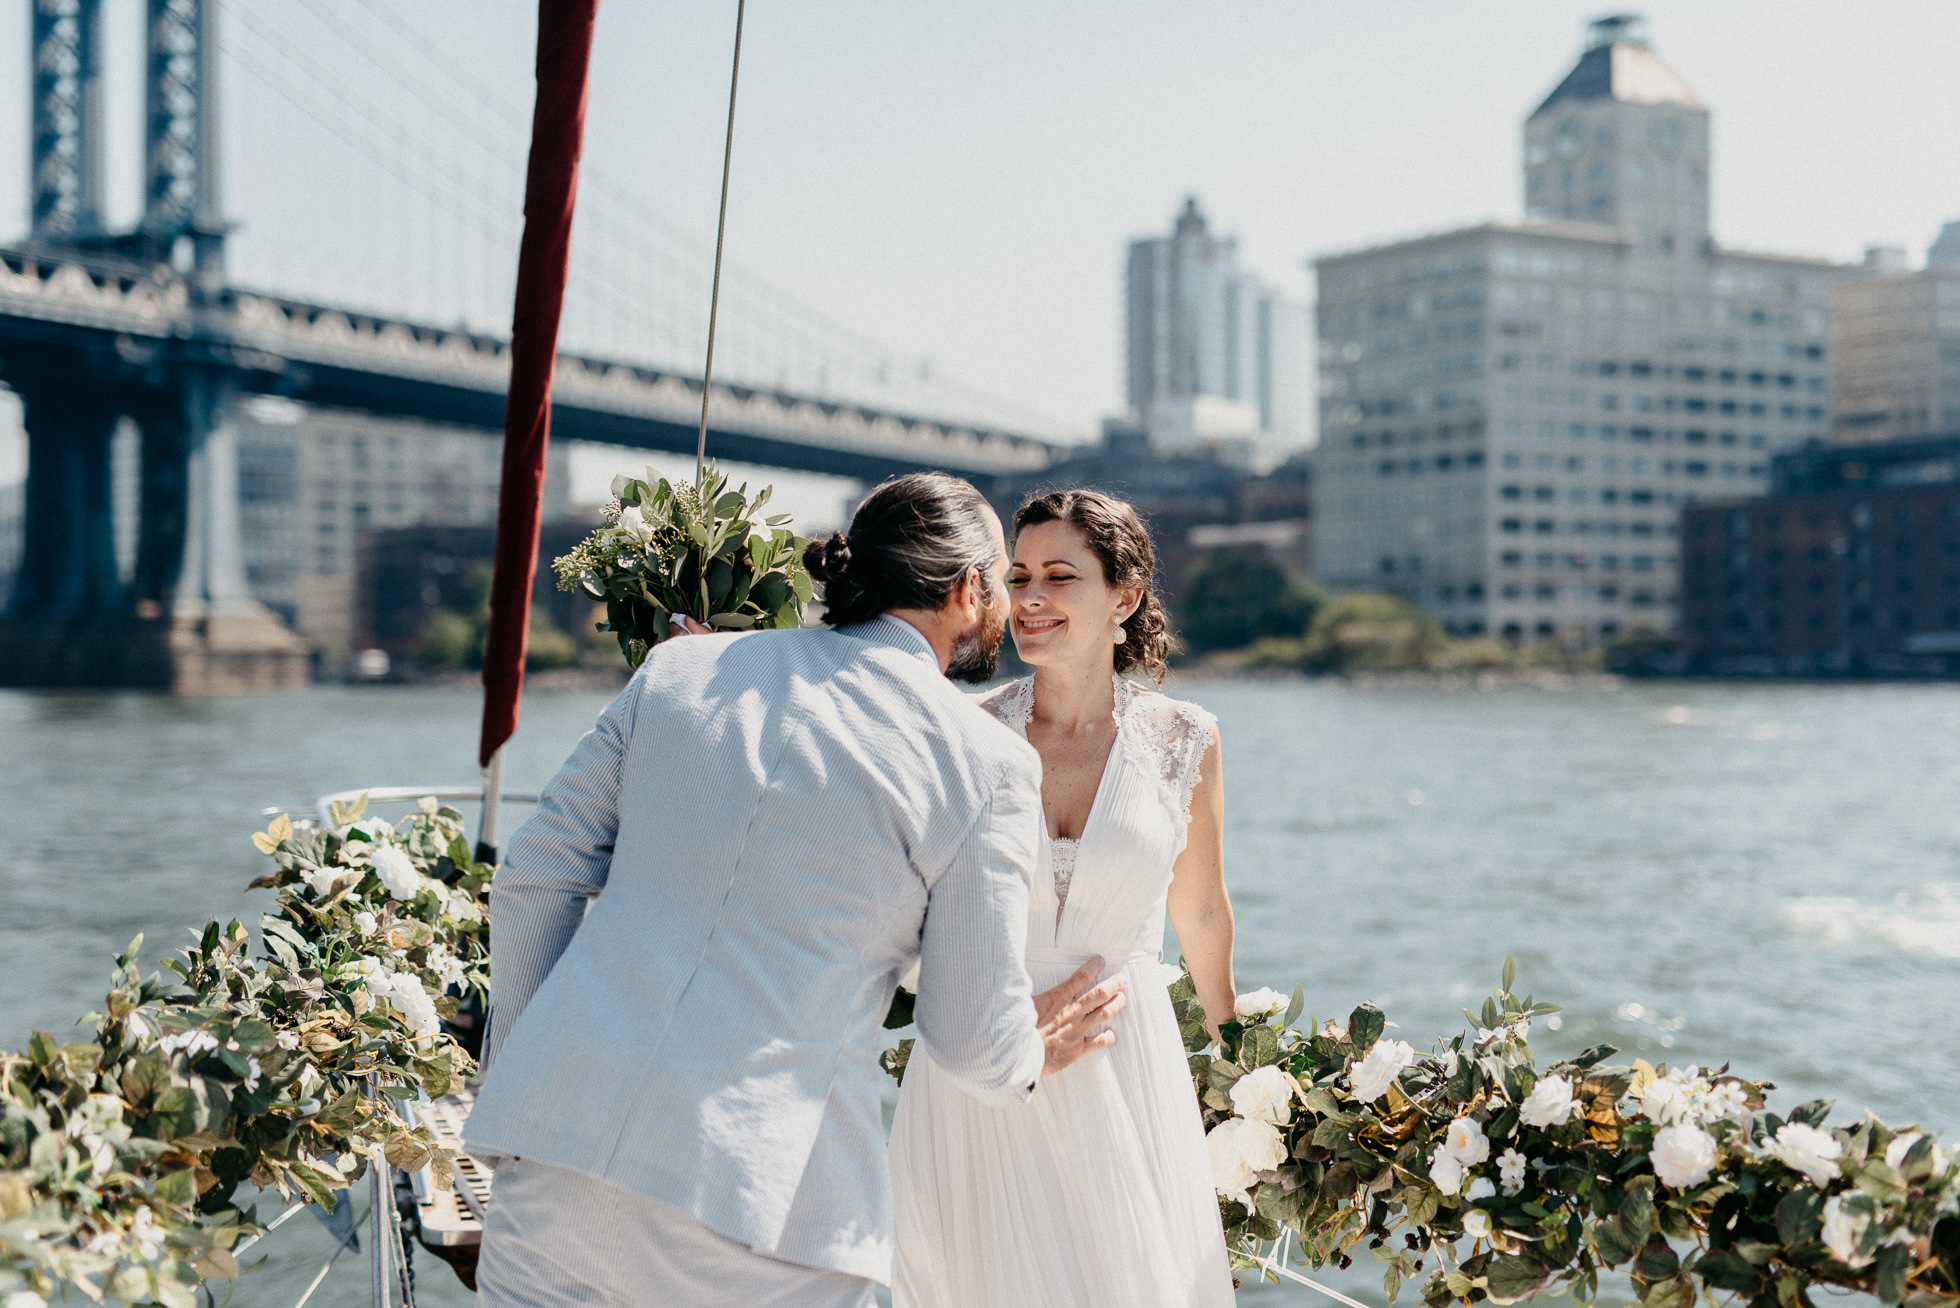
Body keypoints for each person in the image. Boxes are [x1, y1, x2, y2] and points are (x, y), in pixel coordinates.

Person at [465, 472, 1128, 1308]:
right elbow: (966, 1037)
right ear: (969, 591)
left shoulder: (681, 670)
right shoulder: (985, 763)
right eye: (1002, 578)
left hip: (551, 1160)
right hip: (757, 1208)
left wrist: (529, 1073)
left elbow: (535, 873)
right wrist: (1029, 1053)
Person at [889, 488, 1240, 1307]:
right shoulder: (965, 731)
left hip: (1125, 1064)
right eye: (1017, 575)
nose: (1031, 597)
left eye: (1059, 575)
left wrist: (1235, 1065)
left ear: (1125, 597)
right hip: (986, 1064)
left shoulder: (1186, 737)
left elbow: (1202, 915)